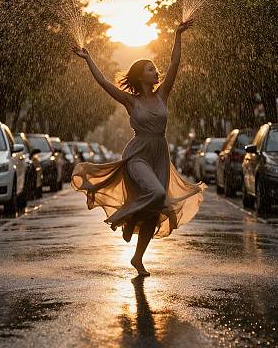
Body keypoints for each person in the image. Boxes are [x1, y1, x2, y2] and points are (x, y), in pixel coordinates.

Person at [71, 19, 206, 276]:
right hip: (138, 155)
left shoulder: (162, 95)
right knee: (156, 194)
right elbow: (104, 84)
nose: (156, 72)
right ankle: (126, 217)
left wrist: (178, 35)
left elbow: (175, 64)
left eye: (155, 69)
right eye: (150, 69)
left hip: (159, 155)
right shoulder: (130, 102)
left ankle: (138, 258)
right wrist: (88, 59)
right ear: (139, 75)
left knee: (155, 210)